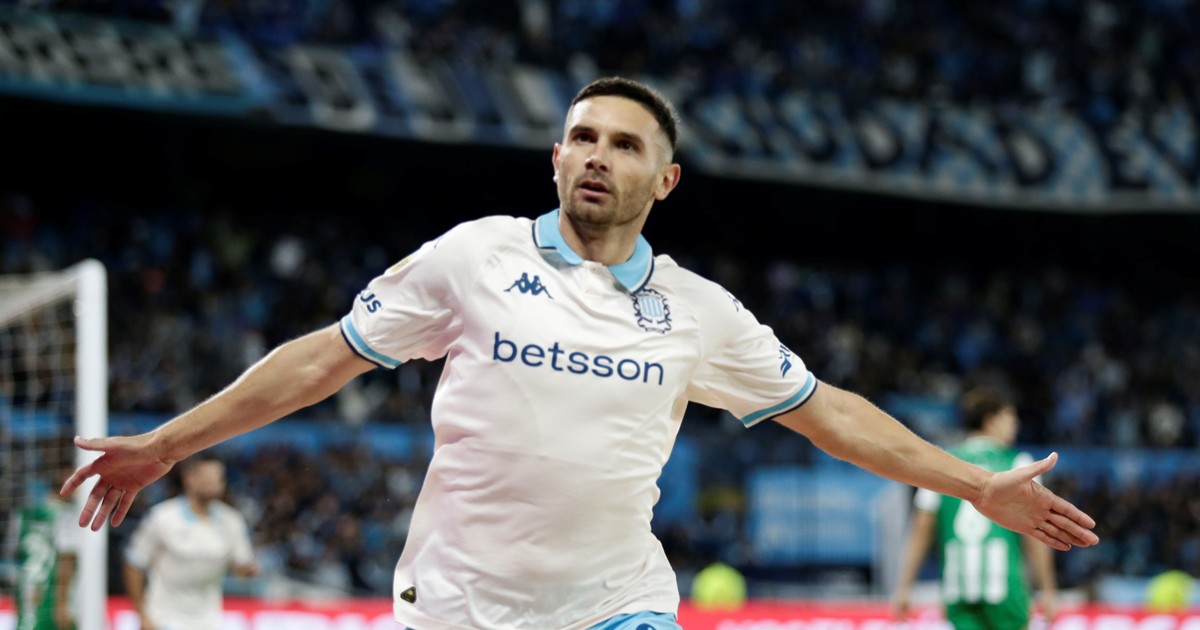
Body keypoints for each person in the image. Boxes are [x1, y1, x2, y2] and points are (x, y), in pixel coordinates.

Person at [60, 76, 1098, 630]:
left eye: (625, 144)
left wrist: (974, 485)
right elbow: (323, 360)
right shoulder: (473, 257)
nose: (599, 155)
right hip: (458, 606)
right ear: (556, 158)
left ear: (665, 180)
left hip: (617, 605)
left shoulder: (697, 310)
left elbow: (830, 414)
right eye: (584, 138)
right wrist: (166, 444)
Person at [892, 387, 1058, 630]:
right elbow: (1036, 534)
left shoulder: (942, 464)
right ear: (991, 421)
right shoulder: (1018, 464)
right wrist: (1047, 589)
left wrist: (904, 587)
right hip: (1005, 587)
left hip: (957, 587)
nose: (1016, 424)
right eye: (1010, 417)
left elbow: (921, 530)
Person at [122, 455, 259, 630]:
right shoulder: (162, 517)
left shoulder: (232, 521)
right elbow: (134, 563)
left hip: (208, 621)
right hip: (164, 619)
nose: (214, 483)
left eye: (218, 478)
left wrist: (247, 571)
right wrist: (142, 614)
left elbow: (240, 565)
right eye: (207, 477)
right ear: (189, 478)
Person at [12, 462, 81, 630]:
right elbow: (66, 559)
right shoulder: (68, 515)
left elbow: (15, 552)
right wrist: (62, 604)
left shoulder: (24, 515)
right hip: (55, 596)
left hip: (27, 588)